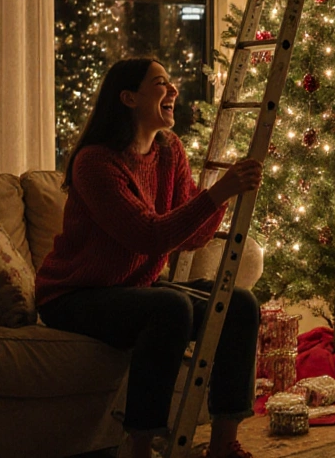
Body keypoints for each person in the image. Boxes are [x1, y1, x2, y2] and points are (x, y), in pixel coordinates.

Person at [36, 58, 264, 458]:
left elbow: (190, 237)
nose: (173, 89)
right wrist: (218, 193)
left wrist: (221, 199)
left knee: (239, 303)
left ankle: (223, 444)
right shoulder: (95, 162)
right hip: (73, 297)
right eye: (160, 83)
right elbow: (149, 235)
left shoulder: (168, 149)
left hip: (133, 289)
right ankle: (139, 447)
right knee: (170, 307)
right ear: (128, 98)